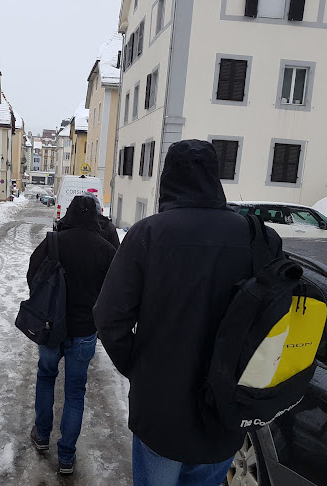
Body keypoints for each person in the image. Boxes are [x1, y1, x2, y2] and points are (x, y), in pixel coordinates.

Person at [93, 140, 282, 486]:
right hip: (227, 409)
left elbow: (109, 317)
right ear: (215, 178)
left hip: (161, 412)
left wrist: (137, 366)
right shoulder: (261, 238)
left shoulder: (147, 234)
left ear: (168, 179)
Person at [27, 195, 116, 475]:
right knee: (75, 393)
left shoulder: (53, 242)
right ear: (96, 217)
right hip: (85, 331)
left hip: (52, 327)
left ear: (68, 214)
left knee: (45, 377)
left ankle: (42, 436)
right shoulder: (106, 249)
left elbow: (32, 276)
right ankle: (66, 456)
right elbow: (114, 293)